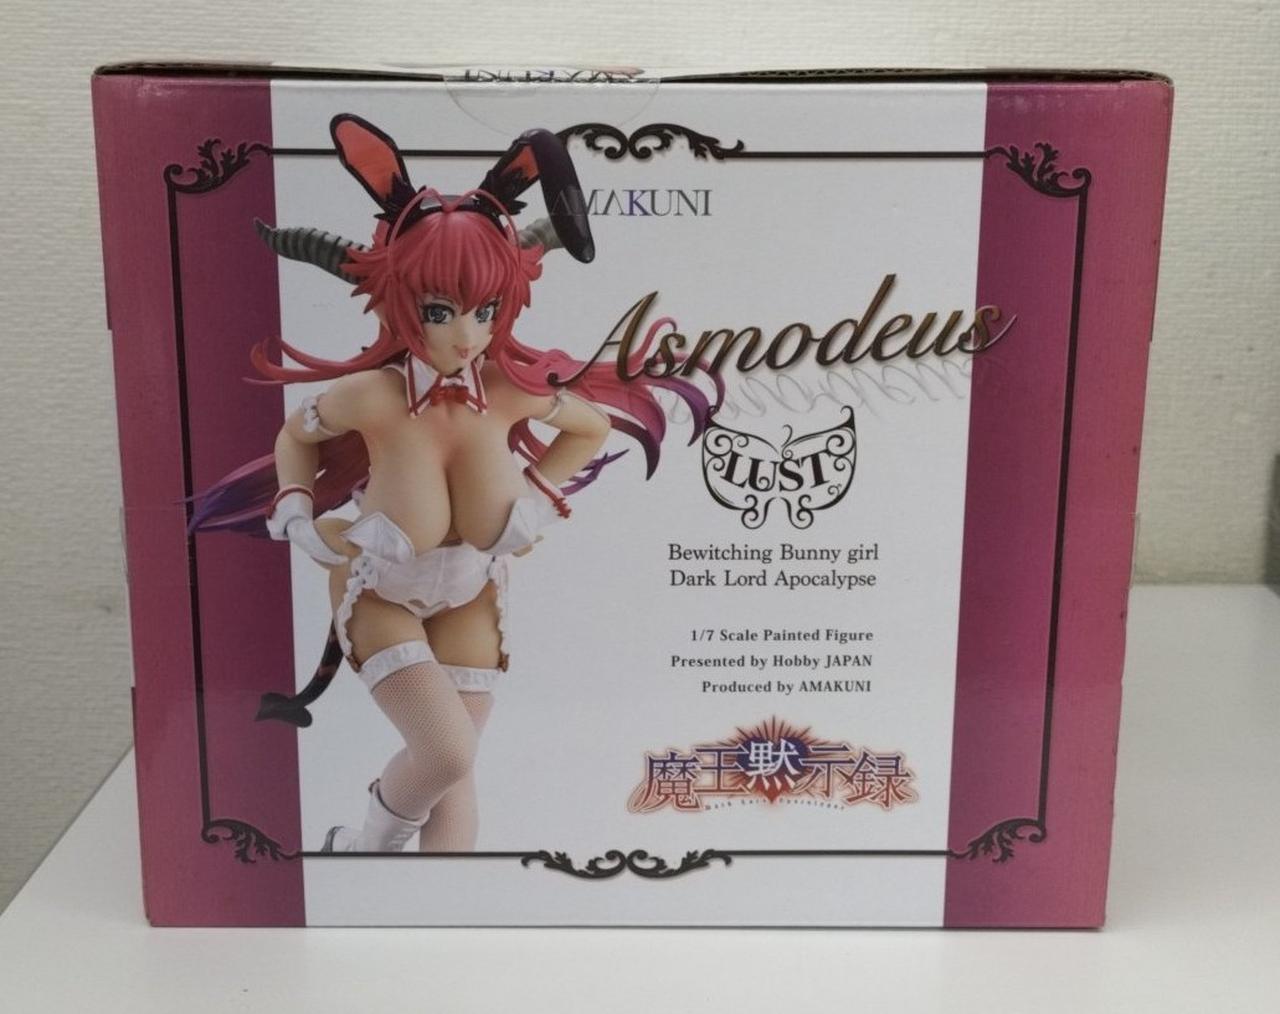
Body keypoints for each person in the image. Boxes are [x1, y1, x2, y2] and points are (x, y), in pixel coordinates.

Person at [191, 115, 720, 853]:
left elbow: (591, 427)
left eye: (485, 311)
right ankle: (366, 849)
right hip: (381, 592)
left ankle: (437, 898)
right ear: (401, 303)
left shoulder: (507, 391)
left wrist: (536, 498)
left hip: (474, 590)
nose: (466, 335)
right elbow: (295, 435)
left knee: (456, 774)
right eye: (440, 313)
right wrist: (297, 509)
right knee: (445, 755)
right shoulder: (372, 397)